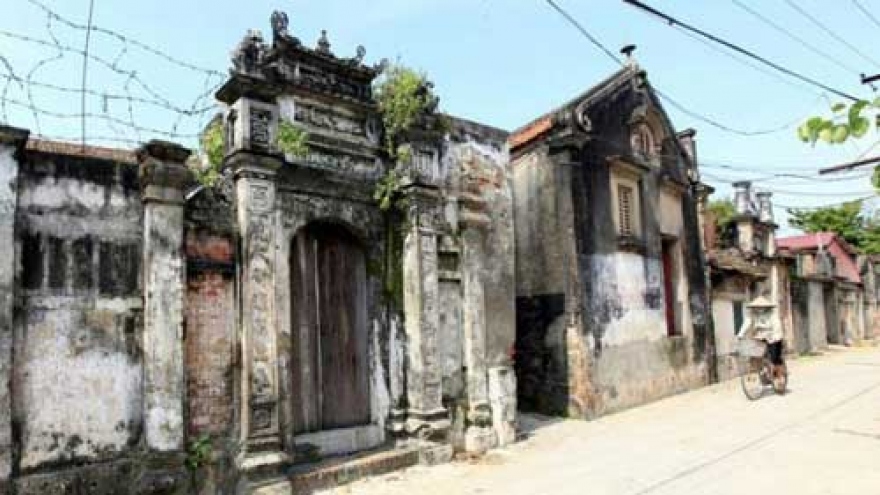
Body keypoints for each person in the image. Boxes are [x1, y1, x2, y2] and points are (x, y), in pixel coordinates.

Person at [736, 295, 786, 379]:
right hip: (760, 336)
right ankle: (761, 370)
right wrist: (740, 334)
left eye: (761, 307)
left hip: (773, 336)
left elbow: (777, 326)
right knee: (754, 353)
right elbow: (746, 323)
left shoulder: (772, 314)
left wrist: (774, 335)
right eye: (757, 307)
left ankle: (779, 375)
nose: (759, 308)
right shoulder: (752, 314)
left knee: (775, 358)